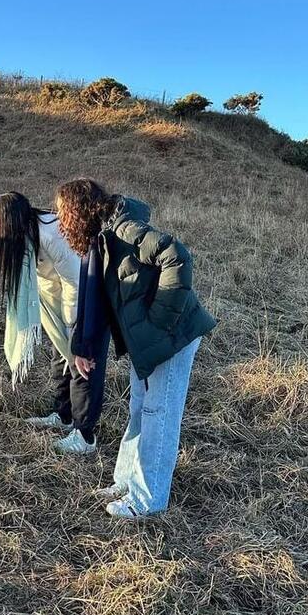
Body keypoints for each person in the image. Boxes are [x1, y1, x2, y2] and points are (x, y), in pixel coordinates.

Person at [55, 178, 217, 519]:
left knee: (159, 414)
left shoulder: (125, 230)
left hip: (172, 337)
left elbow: (177, 256)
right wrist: (83, 345)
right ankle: (126, 480)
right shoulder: (102, 240)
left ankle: (146, 500)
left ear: (77, 212)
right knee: (140, 407)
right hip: (148, 340)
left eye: (62, 213)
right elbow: (95, 297)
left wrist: (160, 321)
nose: (60, 222)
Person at [0, 191, 110, 454]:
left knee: (83, 363)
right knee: (60, 359)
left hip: (87, 300)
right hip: (56, 300)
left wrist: (75, 333)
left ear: (12, 219)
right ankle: (62, 415)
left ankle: (84, 435)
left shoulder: (52, 234)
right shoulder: (24, 238)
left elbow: (77, 283)